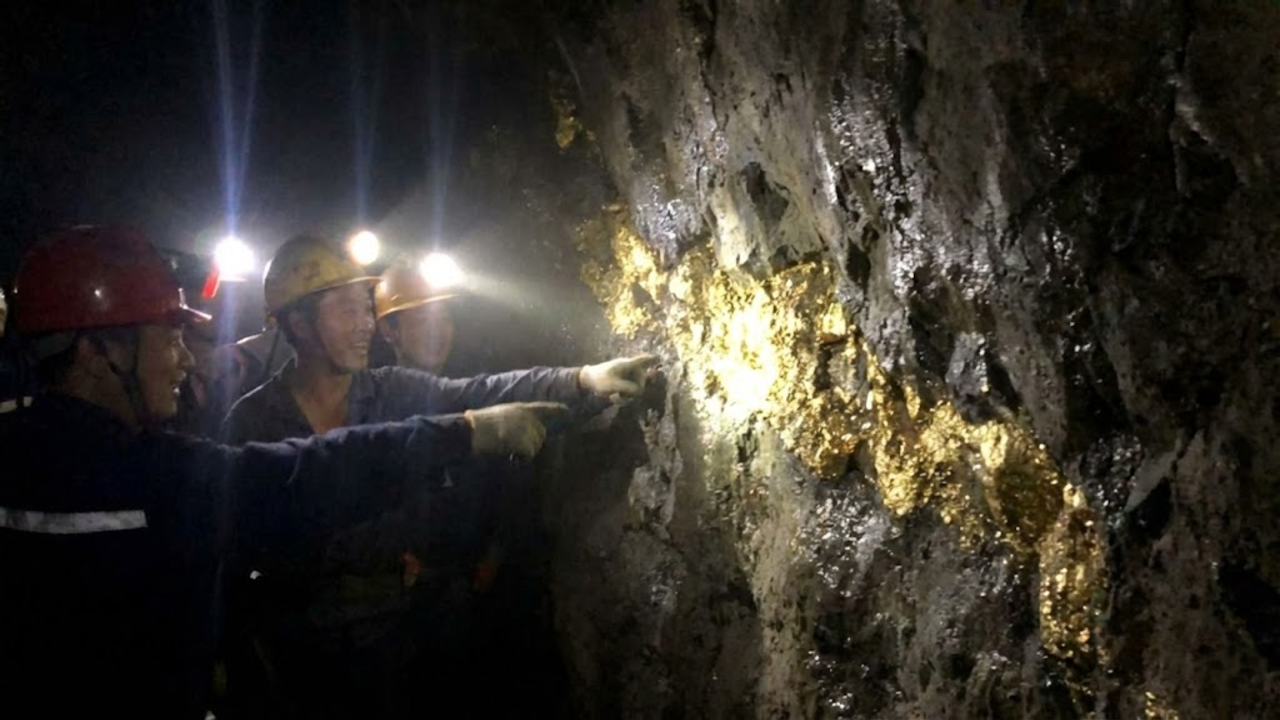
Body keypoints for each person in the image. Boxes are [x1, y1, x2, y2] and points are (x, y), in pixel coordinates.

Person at [0, 226, 569, 720]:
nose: (185, 358)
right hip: (292, 654)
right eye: (169, 338)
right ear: (101, 352)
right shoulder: (167, 469)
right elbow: (295, 479)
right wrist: (466, 431)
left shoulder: (24, 457)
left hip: (395, 639)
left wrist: (575, 386)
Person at [219, 234, 655, 719]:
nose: (366, 324)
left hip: (399, 632)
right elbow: (232, 551)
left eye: (368, 308)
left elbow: (483, 391)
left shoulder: (393, 392)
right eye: (348, 311)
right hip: (302, 648)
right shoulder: (251, 422)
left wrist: (584, 380)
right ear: (296, 322)